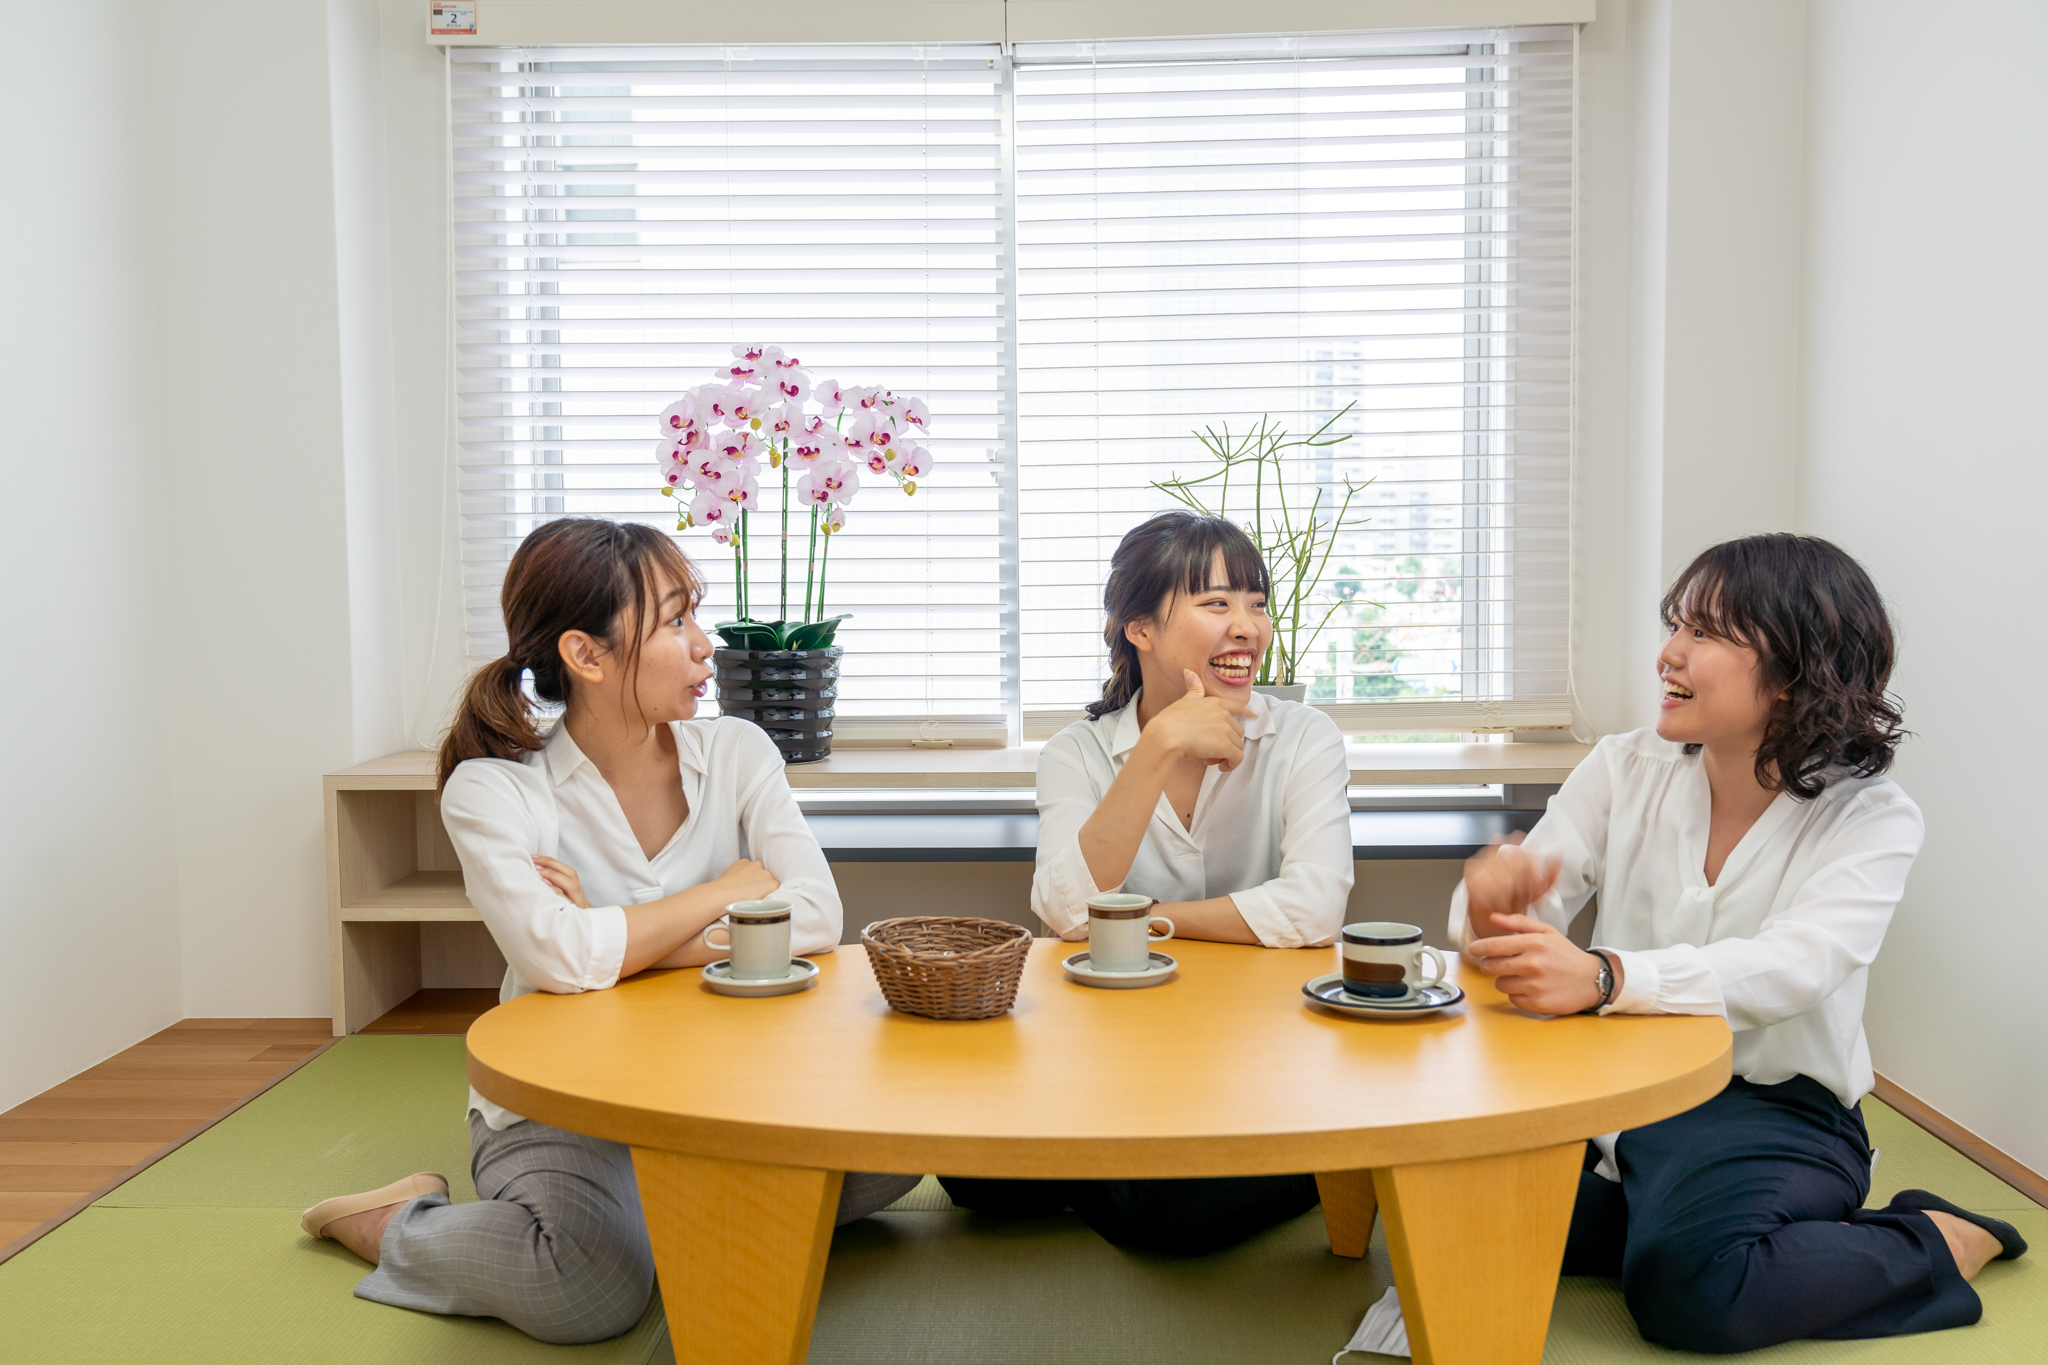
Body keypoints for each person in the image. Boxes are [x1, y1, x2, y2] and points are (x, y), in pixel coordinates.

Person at [298, 519, 916, 1344]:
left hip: (722, 1080)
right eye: (674, 621)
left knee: (898, 1153)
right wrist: (725, 892)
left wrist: (614, 938)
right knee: (589, 1287)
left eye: (695, 614)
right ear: (586, 655)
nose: (704, 645)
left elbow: (816, 914)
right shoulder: (495, 790)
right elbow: (558, 956)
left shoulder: (738, 751)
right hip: (567, 1100)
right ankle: (399, 1222)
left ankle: (651, 1213)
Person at [1453, 533, 2024, 1353]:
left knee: (1693, 1292)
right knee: (1460, 1214)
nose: (1668, 653)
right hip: (1618, 1096)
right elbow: (1527, 910)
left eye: (1706, 632)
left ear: (1795, 670)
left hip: (1775, 1111)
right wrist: (1492, 909)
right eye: (1674, 624)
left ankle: (1934, 1237)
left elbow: (1798, 964)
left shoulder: (1871, 816)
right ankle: (1683, 1224)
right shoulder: (1622, 767)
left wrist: (1608, 977)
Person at [940, 510, 1355, 1254]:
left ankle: (1318, 1156)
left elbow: (1316, 906)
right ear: (1141, 629)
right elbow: (1066, 908)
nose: (1247, 627)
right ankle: (1130, 1156)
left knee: (1169, 1216)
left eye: (1256, 603)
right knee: (966, 1175)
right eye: (1217, 603)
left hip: (1255, 1047)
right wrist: (1158, 745)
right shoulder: (1076, 753)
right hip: (1116, 1051)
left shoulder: (1303, 738)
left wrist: (1145, 917)